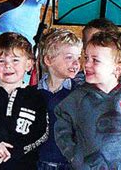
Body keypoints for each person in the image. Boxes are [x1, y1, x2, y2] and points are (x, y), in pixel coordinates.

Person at [54, 31, 121, 169]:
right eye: (86, 58)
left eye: (95, 60)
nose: (87, 64)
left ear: (118, 68)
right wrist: (73, 156)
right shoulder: (78, 97)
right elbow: (62, 124)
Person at [0, 32, 48, 170]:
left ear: (29, 64)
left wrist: (17, 150)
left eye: (15, 60)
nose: (8, 66)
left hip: (23, 165)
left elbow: (42, 133)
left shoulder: (36, 97)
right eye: (1, 61)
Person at [36, 28, 82, 170]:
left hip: (68, 164)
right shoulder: (31, 94)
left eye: (78, 58)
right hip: (37, 162)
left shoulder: (79, 94)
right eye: (69, 57)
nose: (76, 63)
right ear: (48, 60)